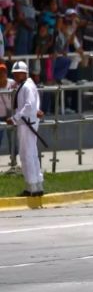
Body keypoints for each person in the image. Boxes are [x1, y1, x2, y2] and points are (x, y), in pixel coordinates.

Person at [6, 62, 42, 196]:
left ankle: (31, 187)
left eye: (17, 73)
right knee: (31, 153)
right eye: (14, 73)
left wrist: (15, 118)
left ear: (24, 73)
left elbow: (28, 105)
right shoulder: (27, 85)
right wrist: (36, 110)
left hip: (26, 123)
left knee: (26, 154)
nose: (15, 75)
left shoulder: (26, 86)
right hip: (28, 122)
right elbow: (34, 104)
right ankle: (37, 185)